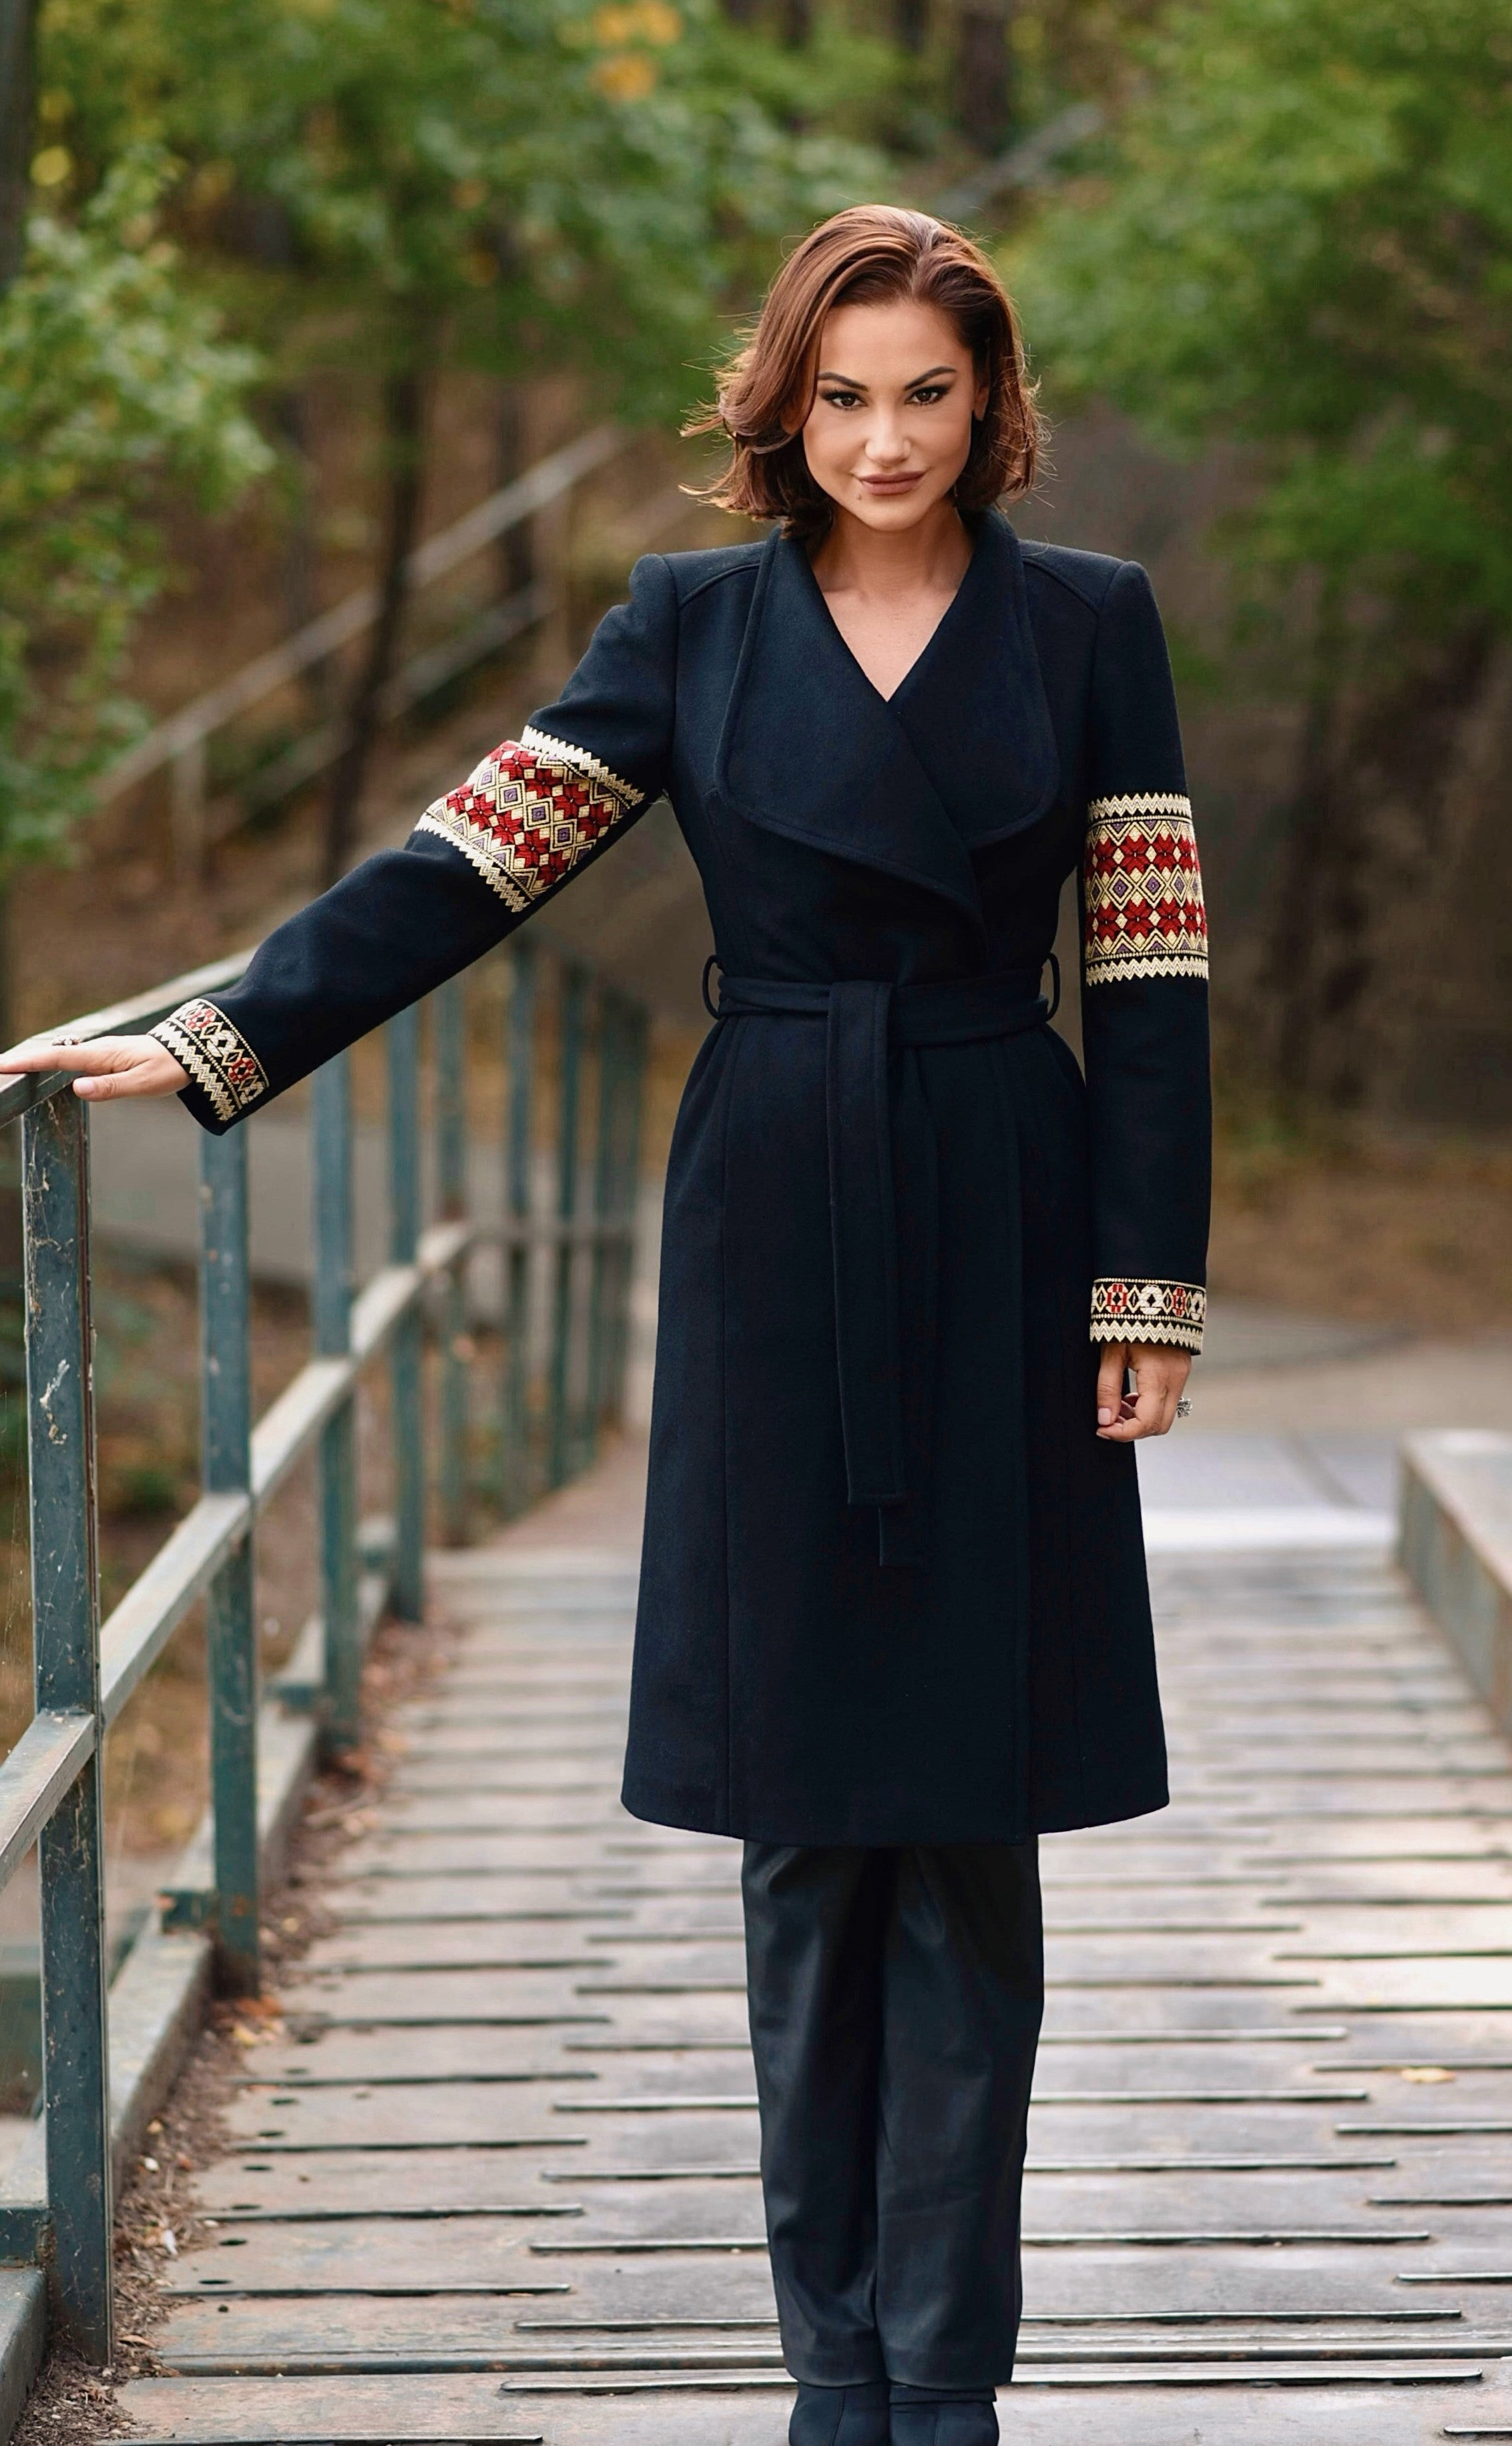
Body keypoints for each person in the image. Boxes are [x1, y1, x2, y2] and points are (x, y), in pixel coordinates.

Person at [3, 207, 1208, 2446]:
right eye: (840, 395)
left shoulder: (1087, 624)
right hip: (770, 1218)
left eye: (926, 396)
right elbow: (468, 866)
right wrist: (222, 1033)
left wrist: (1144, 1291)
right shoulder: (688, 624)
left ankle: (944, 2382)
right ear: (782, 402)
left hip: (1003, 1210)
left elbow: (1146, 968)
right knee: (802, 1820)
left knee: (968, 1821)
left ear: (989, 408)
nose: (881, 438)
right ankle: (829, 2376)